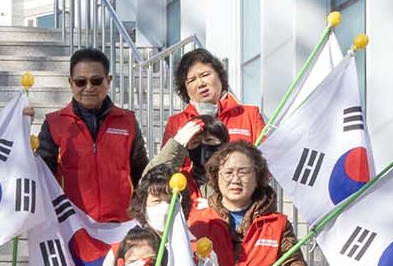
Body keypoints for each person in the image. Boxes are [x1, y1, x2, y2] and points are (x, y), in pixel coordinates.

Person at [195, 141, 308, 266]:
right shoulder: (199, 221)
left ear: (257, 177)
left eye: (244, 172)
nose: (235, 179)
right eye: (228, 172)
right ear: (216, 176)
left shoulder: (277, 224)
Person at [35, 48, 147, 224]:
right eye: (81, 82)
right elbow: (42, 173)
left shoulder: (127, 121)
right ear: (70, 83)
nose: (89, 88)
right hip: (72, 225)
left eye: (96, 81)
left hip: (119, 225)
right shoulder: (55, 123)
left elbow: (141, 172)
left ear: (108, 81)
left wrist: (140, 210)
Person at [153, 48, 263, 184]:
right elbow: (165, 169)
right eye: (192, 80)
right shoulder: (177, 123)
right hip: (193, 195)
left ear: (220, 76)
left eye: (205, 75)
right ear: (185, 89)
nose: (201, 83)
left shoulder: (250, 115)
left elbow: (266, 162)